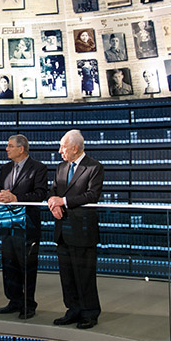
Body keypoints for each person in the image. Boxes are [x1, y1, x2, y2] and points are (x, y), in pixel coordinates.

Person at [47, 130, 104, 329]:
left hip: (83, 231)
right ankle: (73, 310)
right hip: (63, 229)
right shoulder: (61, 167)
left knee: (85, 275)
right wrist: (53, 204)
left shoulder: (94, 167)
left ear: (75, 148)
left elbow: (91, 195)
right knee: (67, 275)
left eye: (63, 146)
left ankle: (89, 313)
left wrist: (62, 201)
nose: (60, 150)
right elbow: (53, 191)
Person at [0, 134, 47, 319]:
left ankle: (28, 304)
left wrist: (16, 199)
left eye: (10, 146)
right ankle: (14, 300)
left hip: (27, 225)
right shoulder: (6, 168)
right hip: (7, 223)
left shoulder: (38, 168)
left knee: (27, 267)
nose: (6, 149)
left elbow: (39, 194)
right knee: (9, 264)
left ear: (21, 149)